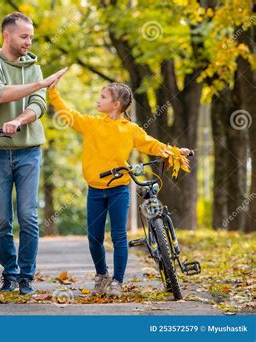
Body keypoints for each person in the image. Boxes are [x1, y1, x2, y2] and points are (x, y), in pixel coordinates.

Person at [48, 72, 192, 296]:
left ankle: (117, 281)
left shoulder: (130, 129)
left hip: (119, 189)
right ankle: (102, 274)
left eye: (103, 97)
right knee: (94, 237)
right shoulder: (92, 124)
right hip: (95, 190)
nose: (98, 100)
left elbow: (152, 145)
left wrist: (174, 152)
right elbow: (69, 116)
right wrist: (53, 92)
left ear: (116, 104)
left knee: (118, 236)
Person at [0, 12, 66, 295]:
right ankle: (9, 274)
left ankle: (26, 276)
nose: (29, 42)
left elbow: (38, 105)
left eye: (31, 37)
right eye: (24, 37)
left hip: (28, 151)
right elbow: (0, 94)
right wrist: (41, 84)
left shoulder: (34, 67)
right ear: (7, 35)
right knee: (2, 219)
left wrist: (19, 120)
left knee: (28, 216)